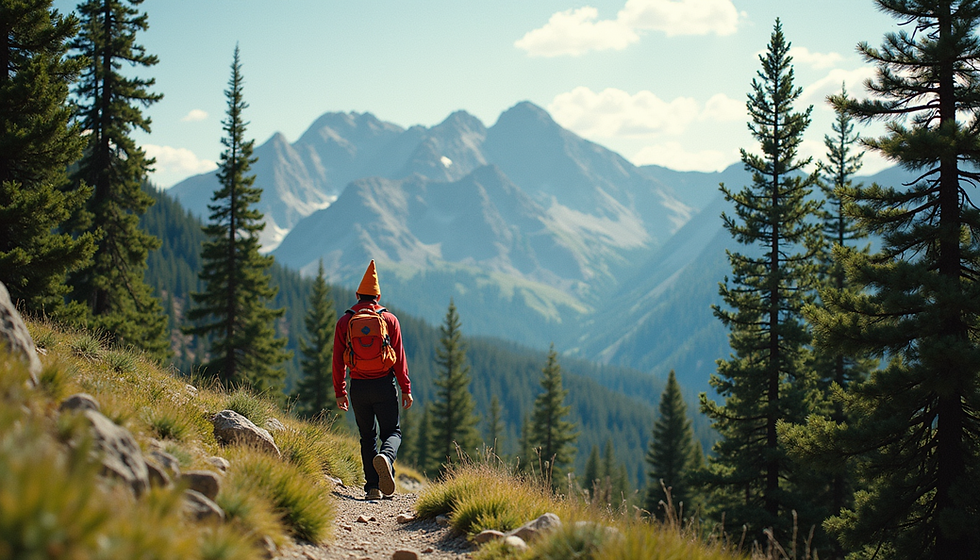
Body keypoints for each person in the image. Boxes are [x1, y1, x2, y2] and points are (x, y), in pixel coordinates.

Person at [333, 260, 413, 500]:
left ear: (358, 295)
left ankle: (373, 488)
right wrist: (406, 388)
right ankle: (386, 457)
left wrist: (340, 391)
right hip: (384, 385)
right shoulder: (390, 320)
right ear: (378, 296)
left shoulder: (345, 321)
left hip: (358, 386)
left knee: (367, 437)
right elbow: (399, 358)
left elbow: (337, 360)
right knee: (393, 433)